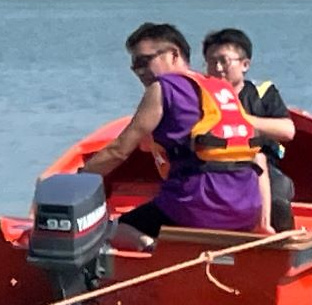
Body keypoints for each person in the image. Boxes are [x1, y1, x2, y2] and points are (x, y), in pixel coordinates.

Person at [82, 22, 268, 240]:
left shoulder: (163, 88)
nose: (139, 71)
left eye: (144, 61)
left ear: (174, 54)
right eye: (135, 66)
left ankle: (153, 253)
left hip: (198, 207)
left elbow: (119, 150)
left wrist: (80, 178)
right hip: (247, 209)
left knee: (112, 230)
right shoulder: (220, 88)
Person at [203, 27, 297, 230]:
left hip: (259, 166)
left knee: (279, 199)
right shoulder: (199, 96)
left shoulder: (263, 92)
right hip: (213, 165)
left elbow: (287, 130)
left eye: (224, 61)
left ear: (245, 64)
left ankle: (282, 245)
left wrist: (239, 119)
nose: (218, 68)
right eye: (212, 61)